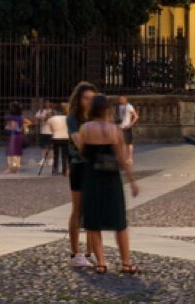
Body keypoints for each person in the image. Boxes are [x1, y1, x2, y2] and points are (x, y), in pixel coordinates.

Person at [73, 94, 139, 275]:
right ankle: (126, 263)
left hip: (92, 177)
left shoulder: (85, 128)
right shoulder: (114, 130)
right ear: (106, 109)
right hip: (111, 179)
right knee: (119, 222)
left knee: (93, 221)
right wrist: (132, 181)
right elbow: (122, 158)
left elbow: (83, 152)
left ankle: (101, 263)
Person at [62, 82, 98, 266]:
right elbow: (79, 143)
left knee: (93, 210)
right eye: (85, 98)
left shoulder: (97, 117)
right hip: (79, 165)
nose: (89, 102)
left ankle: (91, 252)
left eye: (92, 98)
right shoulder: (72, 119)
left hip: (94, 166)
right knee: (77, 209)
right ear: (79, 99)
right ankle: (75, 254)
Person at [43, 100, 71, 177]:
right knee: (65, 155)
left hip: (56, 137)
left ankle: (55, 170)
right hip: (66, 137)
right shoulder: (68, 118)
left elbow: (50, 130)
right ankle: (65, 170)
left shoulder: (51, 119)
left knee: (56, 155)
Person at [4, 105, 28, 173]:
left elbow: (11, 127)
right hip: (19, 136)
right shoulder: (21, 118)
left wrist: (7, 127)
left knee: (11, 152)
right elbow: (26, 123)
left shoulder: (11, 118)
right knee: (17, 152)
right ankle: (17, 168)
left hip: (12, 136)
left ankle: (10, 168)